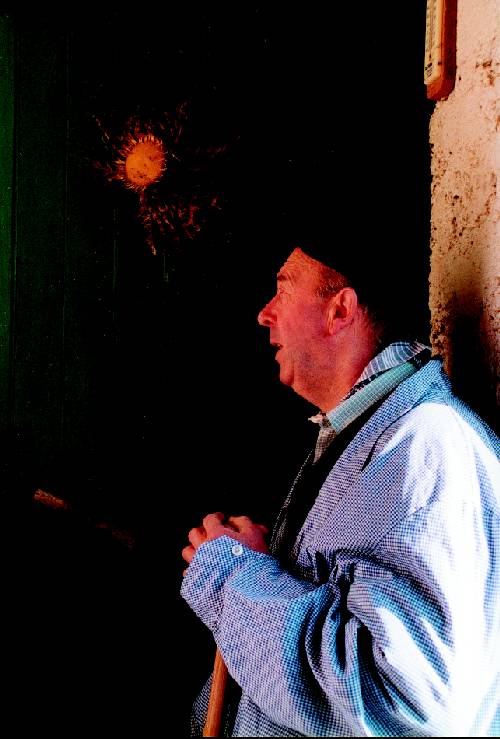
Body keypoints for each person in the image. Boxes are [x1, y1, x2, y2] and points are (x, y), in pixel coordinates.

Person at [180, 241, 500, 737]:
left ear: (340, 310)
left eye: (284, 289)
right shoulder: (366, 437)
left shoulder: (423, 445)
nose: (265, 314)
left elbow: (406, 703)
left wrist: (234, 578)